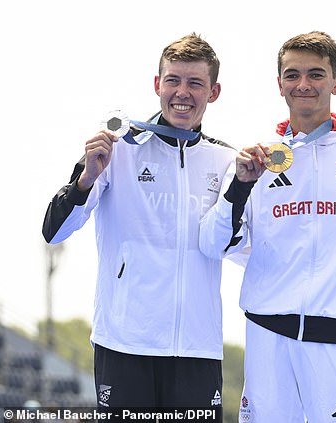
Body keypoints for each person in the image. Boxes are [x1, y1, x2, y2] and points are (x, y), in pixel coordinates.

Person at [199, 31, 336, 422]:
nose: (303, 84)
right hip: (268, 337)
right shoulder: (256, 159)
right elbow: (213, 244)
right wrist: (240, 186)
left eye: (316, 74)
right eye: (292, 75)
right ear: (279, 84)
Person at [42, 33, 234, 410]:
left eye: (195, 82)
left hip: (197, 348)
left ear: (213, 91)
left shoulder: (226, 161)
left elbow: (240, 247)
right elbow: (54, 230)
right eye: (173, 80)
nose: (182, 92)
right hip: (125, 344)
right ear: (157, 85)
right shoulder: (118, 147)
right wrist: (85, 179)